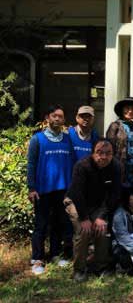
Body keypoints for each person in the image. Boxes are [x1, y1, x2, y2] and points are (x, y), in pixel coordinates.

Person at [64, 139, 122, 282]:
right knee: (84, 231)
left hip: (98, 204)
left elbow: (115, 194)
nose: (103, 157)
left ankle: (100, 267)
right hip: (76, 201)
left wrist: (101, 216)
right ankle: (79, 269)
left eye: (108, 153)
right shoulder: (82, 166)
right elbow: (77, 193)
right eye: (99, 152)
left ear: (113, 154)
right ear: (92, 153)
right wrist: (84, 219)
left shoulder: (116, 166)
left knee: (102, 229)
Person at [27, 105, 75, 275]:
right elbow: (31, 164)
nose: (57, 119)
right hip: (42, 190)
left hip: (62, 189)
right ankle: (37, 259)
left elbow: (73, 163)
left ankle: (55, 254)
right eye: (54, 116)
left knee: (59, 224)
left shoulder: (68, 139)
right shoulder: (37, 139)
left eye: (60, 117)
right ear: (48, 118)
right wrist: (31, 188)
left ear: (64, 120)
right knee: (41, 225)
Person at [106, 97, 133, 188]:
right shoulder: (115, 126)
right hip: (120, 168)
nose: (130, 111)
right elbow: (109, 148)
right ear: (122, 110)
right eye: (127, 108)